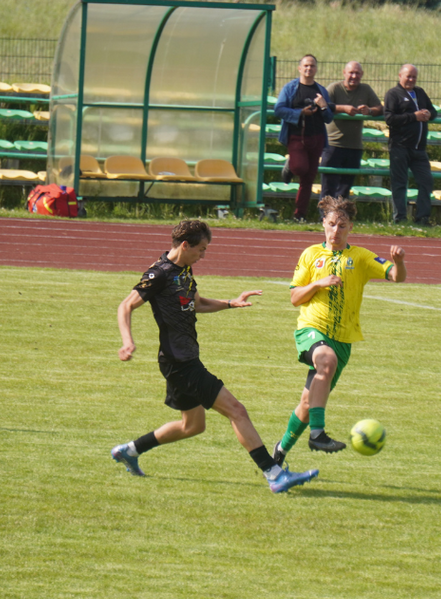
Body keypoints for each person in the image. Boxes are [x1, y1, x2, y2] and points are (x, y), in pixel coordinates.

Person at [110, 220, 318, 493]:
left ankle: (130, 451)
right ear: (185, 245)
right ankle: (274, 473)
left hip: (182, 359)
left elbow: (198, 303)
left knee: (192, 426)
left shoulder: (184, 268)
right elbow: (126, 305)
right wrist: (128, 342)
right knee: (236, 410)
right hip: (180, 363)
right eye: (201, 249)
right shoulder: (158, 274)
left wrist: (231, 303)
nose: (203, 255)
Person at [272, 196, 406, 466]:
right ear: (323, 223)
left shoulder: (361, 256)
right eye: (331, 224)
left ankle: (278, 453)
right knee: (326, 360)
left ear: (350, 228)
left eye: (341, 226)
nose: (335, 231)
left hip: (344, 338)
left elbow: (395, 276)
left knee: (308, 406)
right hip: (312, 328)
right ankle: (317, 435)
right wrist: (319, 284)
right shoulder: (310, 254)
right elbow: (295, 298)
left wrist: (399, 262)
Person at [274, 55, 334, 222]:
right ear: (300, 68)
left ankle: (300, 215)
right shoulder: (290, 88)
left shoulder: (322, 91)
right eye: (306, 66)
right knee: (300, 168)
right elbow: (278, 109)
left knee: (308, 179)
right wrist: (300, 113)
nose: (309, 69)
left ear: (316, 69)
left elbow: (329, 118)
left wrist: (323, 106)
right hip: (296, 136)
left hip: (317, 137)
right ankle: (290, 165)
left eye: (312, 66)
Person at [321, 61, 382, 202]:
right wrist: (344, 109)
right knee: (328, 187)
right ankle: (325, 218)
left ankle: (340, 218)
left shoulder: (366, 89)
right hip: (333, 145)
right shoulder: (334, 88)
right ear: (344, 73)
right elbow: (322, 104)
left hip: (354, 146)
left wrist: (370, 111)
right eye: (351, 73)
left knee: (345, 189)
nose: (354, 76)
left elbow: (380, 108)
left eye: (357, 73)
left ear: (362, 75)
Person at [383, 64, 437, 225]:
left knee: (426, 181)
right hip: (400, 147)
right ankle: (400, 218)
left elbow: (433, 111)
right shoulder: (393, 94)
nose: (411, 79)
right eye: (408, 76)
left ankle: (422, 218)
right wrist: (413, 117)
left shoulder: (420, 92)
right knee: (399, 183)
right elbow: (390, 119)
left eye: (414, 77)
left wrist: (429, 114)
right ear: (400, 75)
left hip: (419, 149)